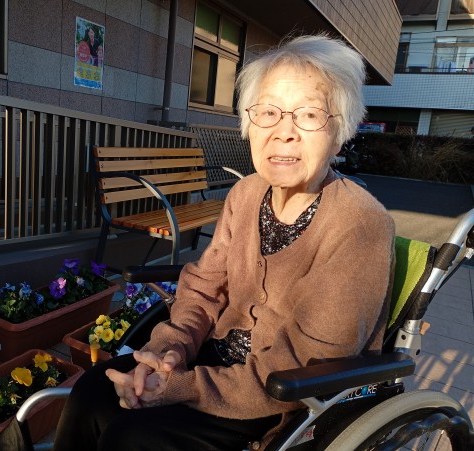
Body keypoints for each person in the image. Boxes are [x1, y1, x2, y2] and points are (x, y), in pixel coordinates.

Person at [53, 34, 395, 451]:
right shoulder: (246, 193)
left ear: (340, 132)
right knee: (92, 392)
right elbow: (204, 287)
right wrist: (168, 352)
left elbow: (307, 363)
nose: (284, 133)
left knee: (134, 436)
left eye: (308, 114)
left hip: (280, 397)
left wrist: (183, 386)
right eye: (268, 112)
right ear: (250, 126)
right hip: (213, 359)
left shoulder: (360, 223)